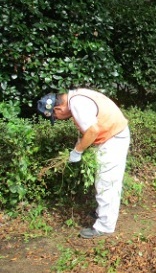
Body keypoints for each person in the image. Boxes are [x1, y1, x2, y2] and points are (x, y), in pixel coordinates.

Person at [37, 88, 130, 239]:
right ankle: (103, 213)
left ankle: (105, 226)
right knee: (105, 181)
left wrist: (77, 151)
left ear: (57, 108)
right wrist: (81, 142)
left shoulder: (76, 103)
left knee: (106, 183)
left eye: (55, 116)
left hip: (113, 140)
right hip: (113, 136)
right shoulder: (77, 97)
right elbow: (90, 126)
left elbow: (92, 131)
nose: (58, 118)